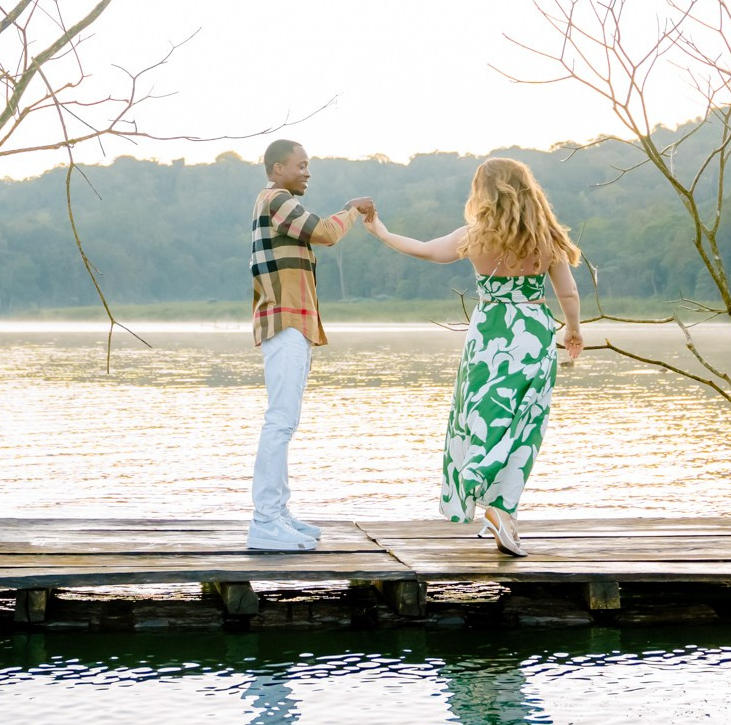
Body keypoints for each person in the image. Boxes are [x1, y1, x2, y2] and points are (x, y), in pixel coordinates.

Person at [361, 157, 583, 556]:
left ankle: (478, 484)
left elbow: (425, 250)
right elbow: (568, 294)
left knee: (483, 416)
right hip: (532, 333)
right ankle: (502, 509)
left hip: (489, 336)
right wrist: (573, 330)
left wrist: (380, 230)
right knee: (524, 424)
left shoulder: (474, 237)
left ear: (483, 193)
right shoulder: (546, 238)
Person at [247, 139, 370, 552]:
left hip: (292, 325)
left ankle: (278, 514)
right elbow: (326, 232)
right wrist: (353, 210)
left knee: (285, 422)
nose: (307, 172)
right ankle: (265, 520)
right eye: (300, 165)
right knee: (279, 422)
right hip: (283, 323)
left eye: (308, 165)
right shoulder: (276, 199)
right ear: (277, 168)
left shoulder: (277, 203)